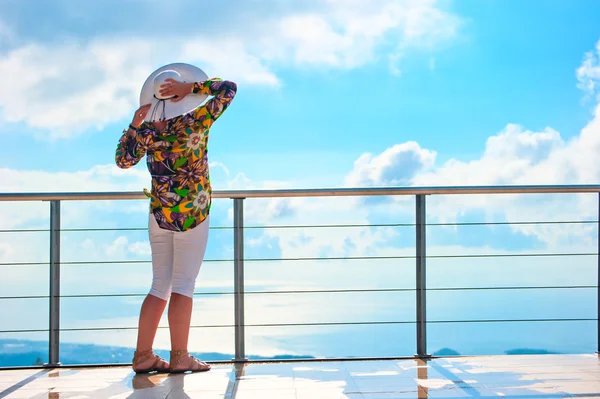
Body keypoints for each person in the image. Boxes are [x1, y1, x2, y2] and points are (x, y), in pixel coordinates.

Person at [115, 63, 237, 373]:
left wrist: (134, 125)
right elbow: (228, 89)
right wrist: (192, 89)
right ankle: (180, 356)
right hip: (193, 214)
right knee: (184, 286)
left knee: (159, 286)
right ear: (180, 97)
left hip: (159, 214)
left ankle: (143, 355)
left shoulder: (147, 131)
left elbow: (123, 160)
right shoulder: (196, 119)